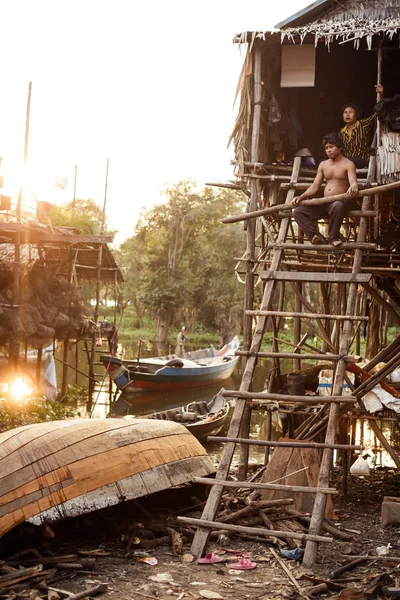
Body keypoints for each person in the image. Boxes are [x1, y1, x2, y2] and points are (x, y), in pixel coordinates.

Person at [292, 132, 358, 247]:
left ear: (340, 147)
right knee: (297, 211)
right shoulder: (323, 165)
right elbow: (315, 186)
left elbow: (353, 183)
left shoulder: (348, 164)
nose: (328, 150)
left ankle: (333, 237)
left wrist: (353, 187)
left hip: (340, 203)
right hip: (324, 203)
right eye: (326, 148)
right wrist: (301, 197)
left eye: (331, 147)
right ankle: (316, 237)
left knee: (337, 205)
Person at [340, 84, 384, 168]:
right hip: (346, 162)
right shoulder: (342, 131)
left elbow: (378, 112)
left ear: (356, 114)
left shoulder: (363, 124)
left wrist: (381, 95)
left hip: (361, 161)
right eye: (345, 112)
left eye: (350, 112)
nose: (347, 114)